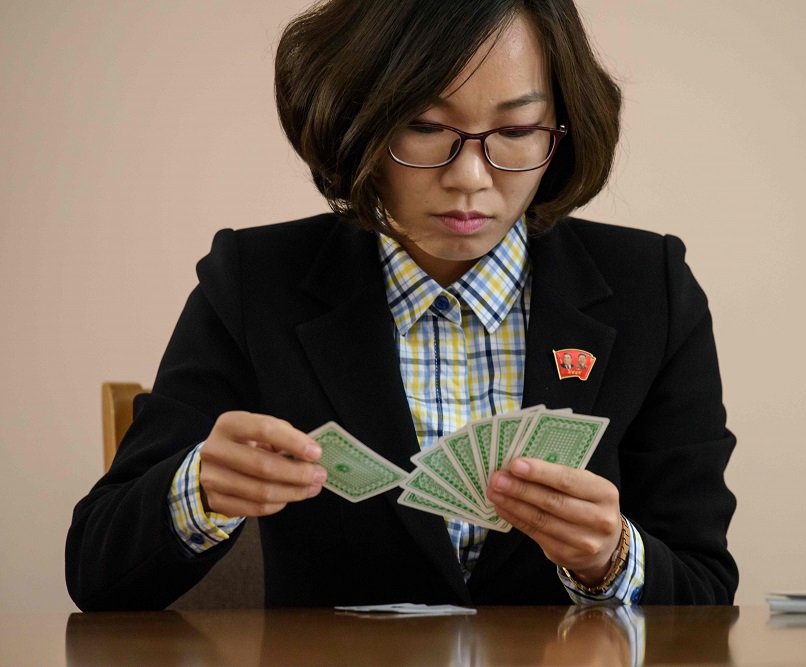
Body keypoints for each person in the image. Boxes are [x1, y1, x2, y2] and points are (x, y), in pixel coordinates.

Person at [66, 0, 737, 611]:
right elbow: (96, 571)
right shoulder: (255, 282)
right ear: (358, 121)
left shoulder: (650, 290)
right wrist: (200, 490)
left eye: (516, 129)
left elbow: (706, 590)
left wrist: (611, 558)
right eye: (424, 126)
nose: (470, 178)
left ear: (559, 129)